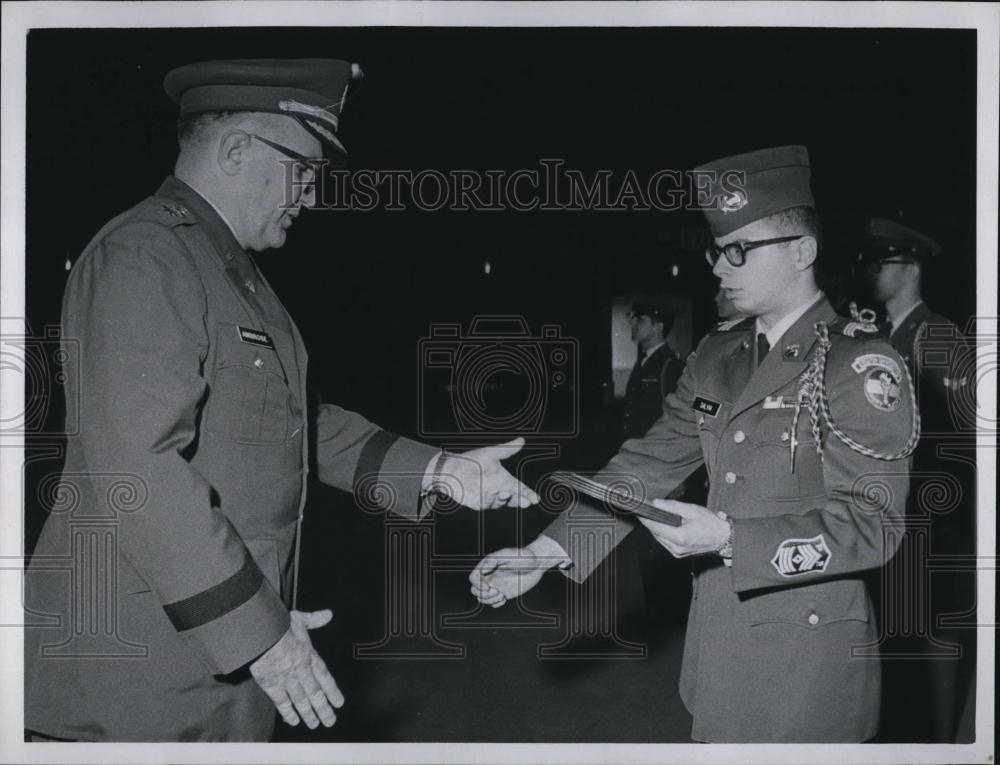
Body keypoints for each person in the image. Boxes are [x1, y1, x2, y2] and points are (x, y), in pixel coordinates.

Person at [23, 58, 538, 743]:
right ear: (236, 150)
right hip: (134, 682)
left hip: (209, 667)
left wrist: (441, 471)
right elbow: (139, 468)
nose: (313, 195)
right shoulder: (145, 255)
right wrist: (262, 636)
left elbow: (298, 422)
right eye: (306, 171)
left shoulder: (231, 272)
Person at [471, 146, 919, 742]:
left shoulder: (857, 365)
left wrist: (730, 539)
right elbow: (648, 464)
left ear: (801, 251)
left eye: (738, 250)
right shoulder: (717, 354)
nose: (718, 266)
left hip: (808, 672)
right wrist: (544, 554)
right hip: (719, 652)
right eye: (717, 249)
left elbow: (874, 525)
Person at [858, 217, 976, 741]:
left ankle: (948, 742)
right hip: (886, 515)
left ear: (910, 266)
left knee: (933, 632)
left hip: (930, 518)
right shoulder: (878, 336)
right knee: (891, 634)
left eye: (880, 261)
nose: (870, 270)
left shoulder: (936, 333)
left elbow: (969, 432)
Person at [622, 298, 685, 442]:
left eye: (639, 320)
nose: (632, 323)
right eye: (632, 319)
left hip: (655, 449)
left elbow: (678, 416)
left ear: (657, 327)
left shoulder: (671, 365)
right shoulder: (643, 361)